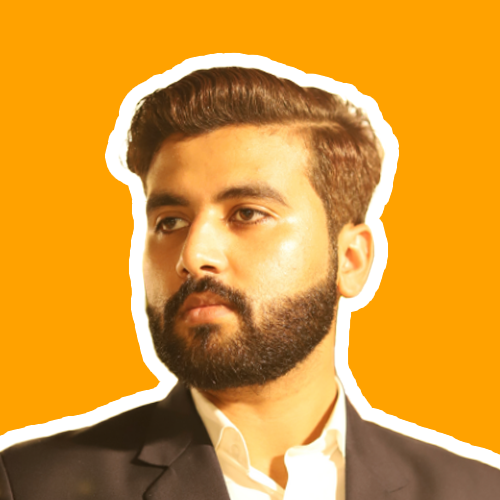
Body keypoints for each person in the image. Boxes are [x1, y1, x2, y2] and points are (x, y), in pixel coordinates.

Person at [1, 66, 499, 500]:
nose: (193, 255)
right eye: (170, 221)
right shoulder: (29, 486)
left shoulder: (477, 492)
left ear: (350, 260)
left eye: (247, 213)